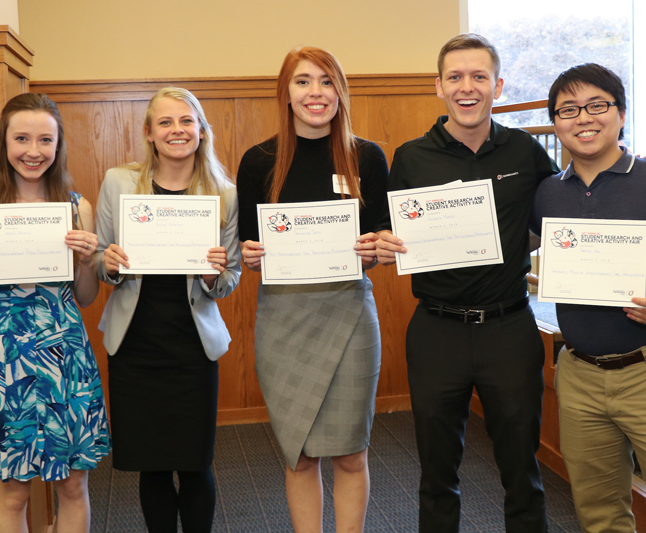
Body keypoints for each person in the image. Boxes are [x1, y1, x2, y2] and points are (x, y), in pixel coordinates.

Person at [374, 33, 559, 532]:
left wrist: (631, 167)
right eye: (455, 77)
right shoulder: (411, 158)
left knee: (522, 471)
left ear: (498, 85)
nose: (467, 87)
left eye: (479, 76)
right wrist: (387, 244)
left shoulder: (525, 151)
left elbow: (569, 207)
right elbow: (390, 234)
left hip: (509, 329)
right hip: (437, 331)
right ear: (438, 86)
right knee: (437, 474)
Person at [530, 63, 646, 533]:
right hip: (579, 375)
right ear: (556, 123)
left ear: (620, 114)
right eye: (569, 109)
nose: (583, 118)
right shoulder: (548, 194)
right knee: (599, 513)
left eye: (597, 105)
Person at [237, 47, 388, 533]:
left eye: (326, 81)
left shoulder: (367, 155)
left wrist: (378, 246)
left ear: (340, 90)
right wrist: (249, 254)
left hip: (349, 316)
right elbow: (246, 242)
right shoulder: (257, 160)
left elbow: (383, 237)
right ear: (285, 92)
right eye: (303, 82)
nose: (316, 93)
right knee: (298, 454)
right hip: (284, 321)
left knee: (350, 452)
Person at [0, 93, 110, 533]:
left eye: (44, 140)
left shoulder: (78, 208)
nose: (33, 151)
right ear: (4, 143)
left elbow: (87, 296)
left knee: (73, 486)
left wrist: (86, 259)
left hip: (65, 358)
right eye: (21, 138)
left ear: (57, 147)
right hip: (5, 361)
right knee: (13, 492)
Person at [94, 87, 240, 533]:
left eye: (186, 121)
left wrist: (215, 275)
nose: (177, 130)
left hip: (192, 348)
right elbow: (100, 259)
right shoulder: (119, 182)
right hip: (134, 347)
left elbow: (230, 278)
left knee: (196, 464)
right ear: (149, 133)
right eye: (165, 123)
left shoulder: (225, 194)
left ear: (200, 129)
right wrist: (111, 264)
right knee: (150, 464)